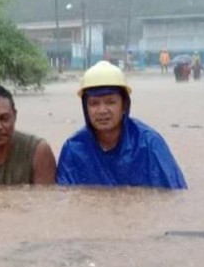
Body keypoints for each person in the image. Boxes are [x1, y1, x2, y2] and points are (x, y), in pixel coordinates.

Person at [56, 61, 187, 189]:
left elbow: (175, 195)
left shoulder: (149, 144)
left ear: (124, 105)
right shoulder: (73, 149)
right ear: (85, 108)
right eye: (94, 103)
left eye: (110, 102)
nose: (102, 110)